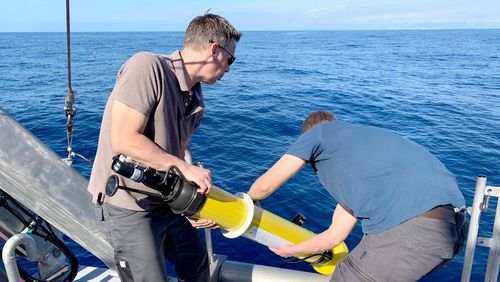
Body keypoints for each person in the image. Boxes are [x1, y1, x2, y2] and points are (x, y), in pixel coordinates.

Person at [87, 13, 241, 282]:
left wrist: (193, 207)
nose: (229, 68)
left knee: (197, 266)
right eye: (231, 59)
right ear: (214, 50)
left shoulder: (195, 99)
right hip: (128, 202)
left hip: (165, 200)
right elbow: (124, 139)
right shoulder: (147, 67)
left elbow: (174, 156)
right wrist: (185, 168)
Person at [247, 110, 466, 281]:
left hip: (412, 230)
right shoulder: (364, 154)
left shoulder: (320, 133)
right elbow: (334, 237)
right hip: (451, 231)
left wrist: (248, 202)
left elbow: (265, 186)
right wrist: (291, 250)